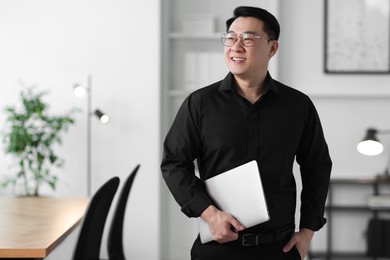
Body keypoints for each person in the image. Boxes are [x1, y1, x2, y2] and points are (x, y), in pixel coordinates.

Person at [161, 6, 332, 260]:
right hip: (217, 250)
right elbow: (174, 163)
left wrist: (308, 230)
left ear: (272, 48)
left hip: (280, 249)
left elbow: (316, 167)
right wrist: (209, 214)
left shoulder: (298, 106)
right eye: (230, 38)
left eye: (248, 38)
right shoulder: (199, 104)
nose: (236, 46)